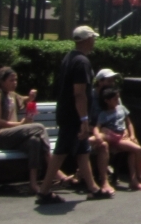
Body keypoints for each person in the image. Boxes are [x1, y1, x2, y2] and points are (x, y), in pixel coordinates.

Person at [36, 26, 112, 205]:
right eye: (92, 38)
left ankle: (93, 188)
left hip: (66, 111)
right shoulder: (82, 62)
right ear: (86, 40)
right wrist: (84, 120)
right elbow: (79, 93)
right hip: (74, 116)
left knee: (82, 151)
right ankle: (44, 190)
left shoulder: (69, 58)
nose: (94, 41)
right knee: (62, 151)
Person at [0, 67, 69, 195]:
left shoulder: (12, 95)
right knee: (39, 127)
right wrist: (19, 124)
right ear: (2, 81)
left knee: (34, 141)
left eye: (16, 80)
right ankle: (54, 168)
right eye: (11, 80)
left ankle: (33, 184)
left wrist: (30, 97)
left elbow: (23, 100)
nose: (15, 83)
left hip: (13, 136)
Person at [95, 85, 141, 190]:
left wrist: (132, 135)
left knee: (133, 151)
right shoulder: (104, 114)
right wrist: (97, 136)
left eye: (118, 98)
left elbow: (129, 123)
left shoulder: (122, 108)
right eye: (114, 99)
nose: (117, 100)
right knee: (138, 149)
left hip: (124, 138)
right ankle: (139, 177)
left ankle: (133, 181)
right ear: (107, 101)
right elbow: (97, 127)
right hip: (115, 138)